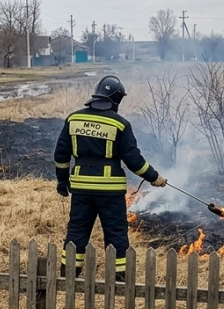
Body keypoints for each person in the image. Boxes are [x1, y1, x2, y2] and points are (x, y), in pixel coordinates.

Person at [54, 75, 166, 278]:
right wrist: (154, 177)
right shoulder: (120, 124)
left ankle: (69, 274)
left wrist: (62, 181)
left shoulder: (74, 119)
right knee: (115, 233)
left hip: (81, 189)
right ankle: (119, 277)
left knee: (77, 231)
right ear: (116, 99)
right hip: (110, 192)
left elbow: (61, 155)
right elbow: (134, 160)